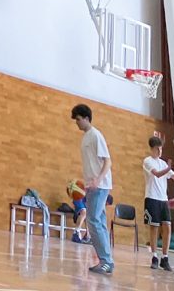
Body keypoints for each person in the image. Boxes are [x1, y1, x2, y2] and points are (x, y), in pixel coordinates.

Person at [71, 103, 114, 275]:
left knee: (93, 221)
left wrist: (98, 179)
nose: (76, 122)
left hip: (100, 186)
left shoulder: (96, 135)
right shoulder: (85, 138)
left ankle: (106, 261)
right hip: (91, 186)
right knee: (99, 223)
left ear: (87, 118)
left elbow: (108, 161)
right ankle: (107, 260)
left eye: (78, 119)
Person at [143, 136, 174, 271]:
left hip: (163, 199)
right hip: (152, 198)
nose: (160, 151)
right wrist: (168, 168)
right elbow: (157, 174)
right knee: (154, 227)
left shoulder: (163, 163)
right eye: (158, 149)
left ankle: (165, 257)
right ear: (152, 149)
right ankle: (154, 257)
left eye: (161, 149)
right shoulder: (147, 161)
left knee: (167, 226)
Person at [66, 180, 91, 244]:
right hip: (79, 205)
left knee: (88, 214)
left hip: (83, 202)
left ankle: (88, 235)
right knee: (84, 212)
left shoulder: (89, 195)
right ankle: (76, 232)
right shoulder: (78, 195)